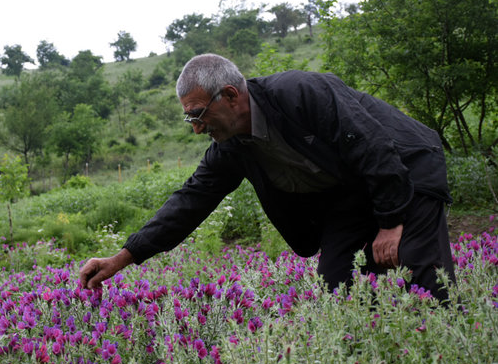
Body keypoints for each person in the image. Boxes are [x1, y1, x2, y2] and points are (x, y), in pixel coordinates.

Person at [80, 53, 456, 302]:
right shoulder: (231, 146)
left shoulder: (299, 92)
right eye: (189, 119)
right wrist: (122, 257)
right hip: (353, 194)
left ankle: (447, 351)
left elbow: (371, 145)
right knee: (336, 282)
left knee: (422, 275)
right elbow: (189, 202)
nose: (196, 129)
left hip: (405, 168)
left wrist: (390, 224)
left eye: (198, 115)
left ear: (229, 95)